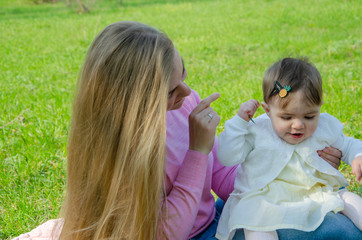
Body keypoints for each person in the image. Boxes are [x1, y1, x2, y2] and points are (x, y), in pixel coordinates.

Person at [11, 23, 358, 240]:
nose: (188, 93)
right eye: (172, 90)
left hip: (217, 214)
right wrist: (197, 151)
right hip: (189, 234)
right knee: (336, 233)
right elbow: (167, 233)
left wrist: (297, 163)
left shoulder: (182, 104)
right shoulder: (125, 152)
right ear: (136, 104)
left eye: (184, 76)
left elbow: (225, 177)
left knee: (336, 220)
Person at [215, 57, 362, 240]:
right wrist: (238, 123)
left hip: (315, 192)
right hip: (264, 199)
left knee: (350, 200)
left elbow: (347, 144)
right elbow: (227, 156)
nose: (298, 125)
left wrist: (357, 155)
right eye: (286, 118)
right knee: (256, 225)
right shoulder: (257, 131)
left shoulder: (324, 126)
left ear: (319, 108)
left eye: (309, 116)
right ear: (268, 111)